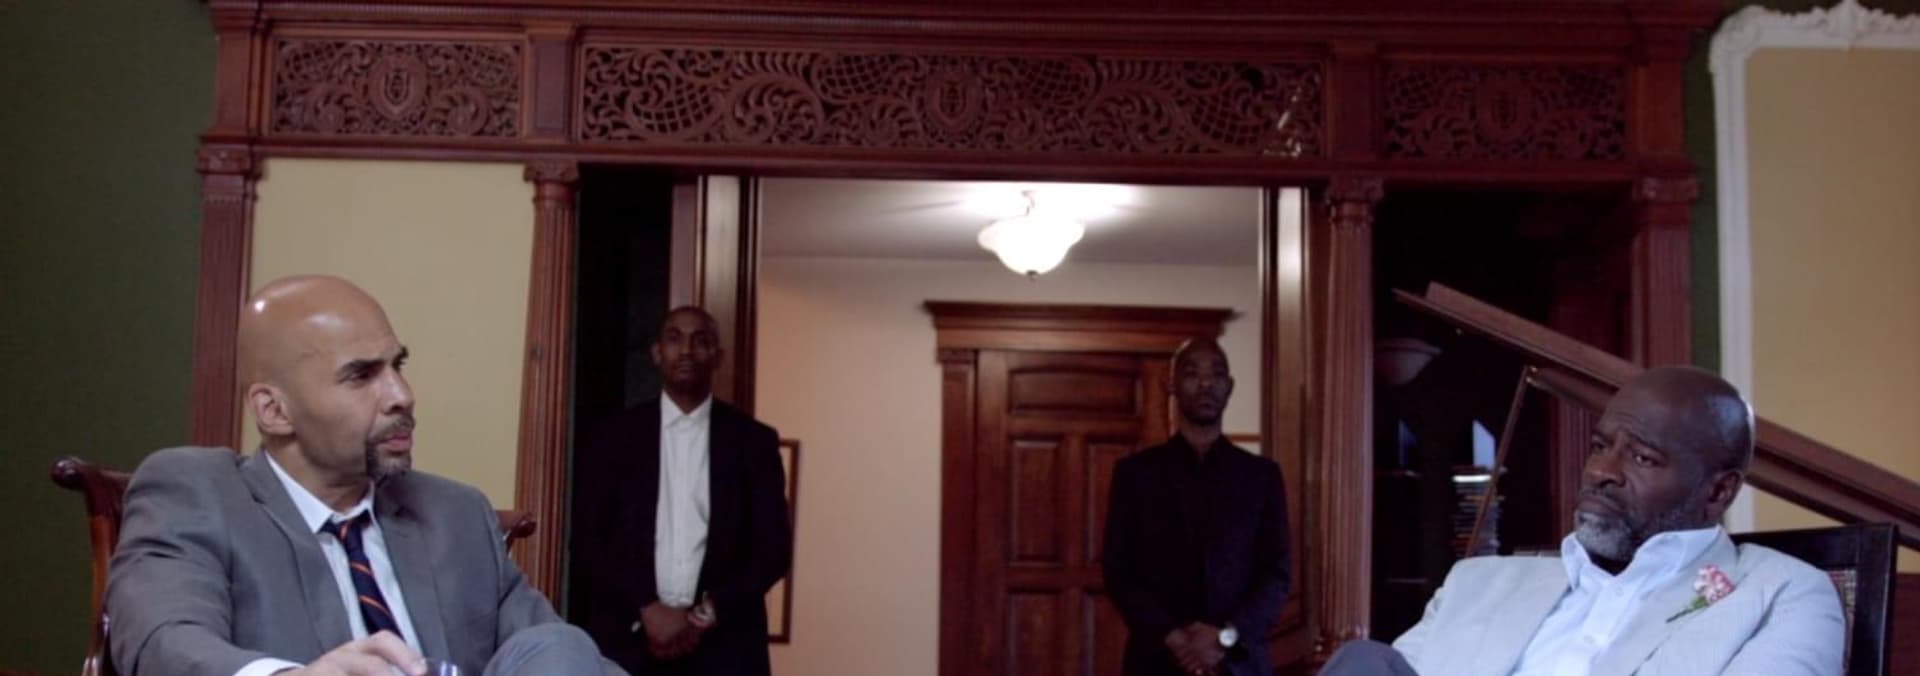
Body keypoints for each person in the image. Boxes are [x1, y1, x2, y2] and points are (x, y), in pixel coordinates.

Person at [107, 275, 622, 676]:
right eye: (361, 375)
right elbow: (163, 642)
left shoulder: (456, 514)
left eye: (398, 366)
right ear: (274, 411)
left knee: (560, 643)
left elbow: (570, 660)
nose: (402, 395)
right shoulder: (197, 492)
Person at [1322, 366, 1845, 676]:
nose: (1600, 471)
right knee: (1362, 662)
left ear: (1718, 491)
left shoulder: (1780, 594)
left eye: (1641, 457)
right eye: (1599, 446)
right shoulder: (1478, 582)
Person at [571, 306, 790, 676]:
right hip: (626, 643)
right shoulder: (612, 438)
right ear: (657, 353)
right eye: (674, 339)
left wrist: (705, 614)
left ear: (718, 356)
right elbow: (588, 541)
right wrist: (647, 607)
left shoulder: (754, 442)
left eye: (700, 340)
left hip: (726, 649)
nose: (686, 350)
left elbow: (773, 550)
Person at [1101, 338, 1292, 676]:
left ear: (1229, 387)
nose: (1206, 383)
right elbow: (1120, 571)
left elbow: (1276, 574)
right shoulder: (1136, 474)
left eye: (1216, 374)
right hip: (1157, 660)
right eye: (1192, 373)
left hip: (1239, 663)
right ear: (1171, 385)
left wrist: (1225, 638)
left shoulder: (1260, 476)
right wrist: (1175, 638)